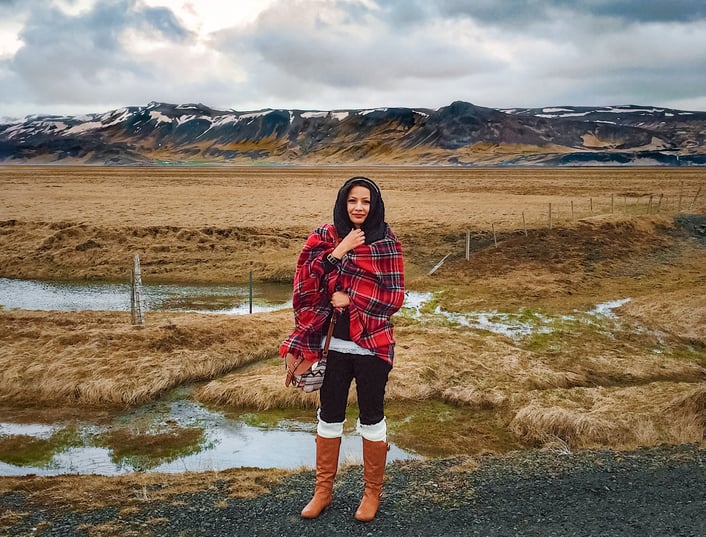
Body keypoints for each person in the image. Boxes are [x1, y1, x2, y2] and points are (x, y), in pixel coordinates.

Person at [280, 176, 405, 522]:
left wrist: (352, 299)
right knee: (329, 416)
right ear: (343, 202)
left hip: (372, 347)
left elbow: (393, 298)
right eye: (353, 201)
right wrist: (340, 251)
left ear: (374, 205)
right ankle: (322, 492)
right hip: (332, 346)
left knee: (371, 418)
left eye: (365, 201)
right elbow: (307, 284)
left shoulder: (386, 242)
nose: (359, 208)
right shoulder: (324, 237)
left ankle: (371, 495)